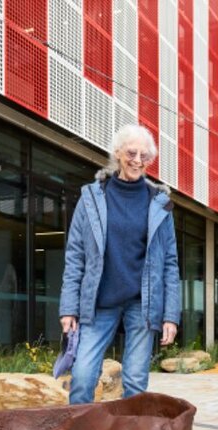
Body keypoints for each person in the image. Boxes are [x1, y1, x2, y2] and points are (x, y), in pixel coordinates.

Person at [59, 124, 180, 405]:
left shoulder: (160, 202)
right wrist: (68, 307)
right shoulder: (91, 197)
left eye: (145, 155)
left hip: (142, 303)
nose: (138, 160)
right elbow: (75, 254)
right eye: (131, 152)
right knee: (83, 376)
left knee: (136, 383)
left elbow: (170, 263)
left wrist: (170, 315)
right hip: (99, 301)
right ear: (117, 153)